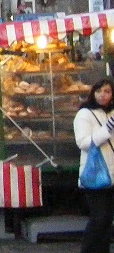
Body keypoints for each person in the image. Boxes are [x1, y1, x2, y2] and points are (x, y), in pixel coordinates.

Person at [74, 78, 114, 253]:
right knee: (100, 217)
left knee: (107, 220)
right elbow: (84, 143)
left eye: (107, 91)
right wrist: (107, 130)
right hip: (96, 173)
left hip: (112, 174)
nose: (102, 95)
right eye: (99, 91)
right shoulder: (85, 114)